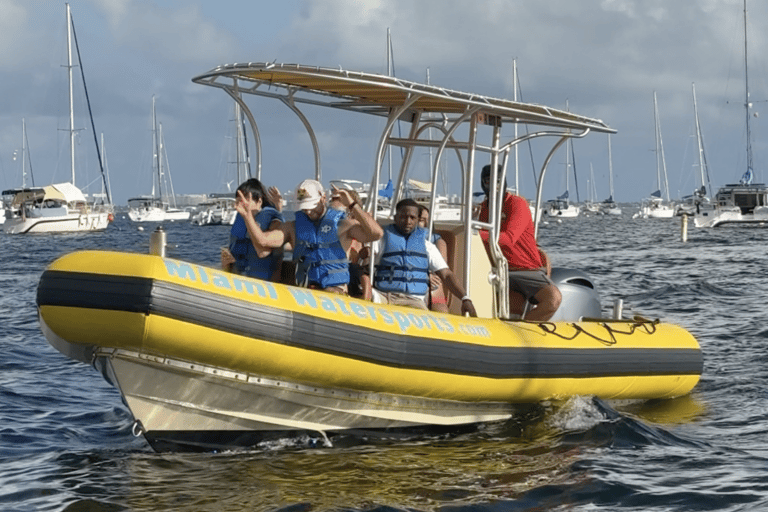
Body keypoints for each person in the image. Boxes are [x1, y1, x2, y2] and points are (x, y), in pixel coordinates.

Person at [240, 178, 383, 294]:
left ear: (323, 198)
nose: (308, 211)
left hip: (335, 292)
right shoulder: (293, 227)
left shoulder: (343, 225)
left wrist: (352, 205)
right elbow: (263, 241)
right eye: (304, 207)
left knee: (330, 291)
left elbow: (376, 234)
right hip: (306, 292)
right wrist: (248, 216)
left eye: (311, 205)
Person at [477, 164, 561, 321]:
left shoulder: (517, 204)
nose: (493, 186)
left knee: (553, 299)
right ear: (483, 183)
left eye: (497, 181)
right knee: (511, 308)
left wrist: (475, 233)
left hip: (526, 269)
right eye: (488, 181)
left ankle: (524, 328)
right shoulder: (482, 209)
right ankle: (512, 330)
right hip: (500, 269)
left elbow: (509, 239)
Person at [371, 198, 477, 316]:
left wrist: (465, 298)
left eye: (412, 218)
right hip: (383, 295)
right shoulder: (381, 240)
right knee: (367, 295)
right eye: (403, 217)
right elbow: (368, 259)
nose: (408, 221)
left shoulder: (428, 246)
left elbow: (446, 274)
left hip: (413, 300)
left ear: (417, 220)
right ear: (395, 218)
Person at [221, 178, 285, 281]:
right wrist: (226, 264)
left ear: (259, 201)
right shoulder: (240, 219)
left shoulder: (270, 218)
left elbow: (263, 252)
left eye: (245, 199)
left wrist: (278, 209)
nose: (241, 204)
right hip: (239, 277)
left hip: (262, 281)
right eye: (238, 200)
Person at [418, 205, 450, 313]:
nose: (426, 224)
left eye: (428, 220)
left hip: (430, 285)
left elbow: (440, 271)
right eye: (422, 220)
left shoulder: (438, 242)